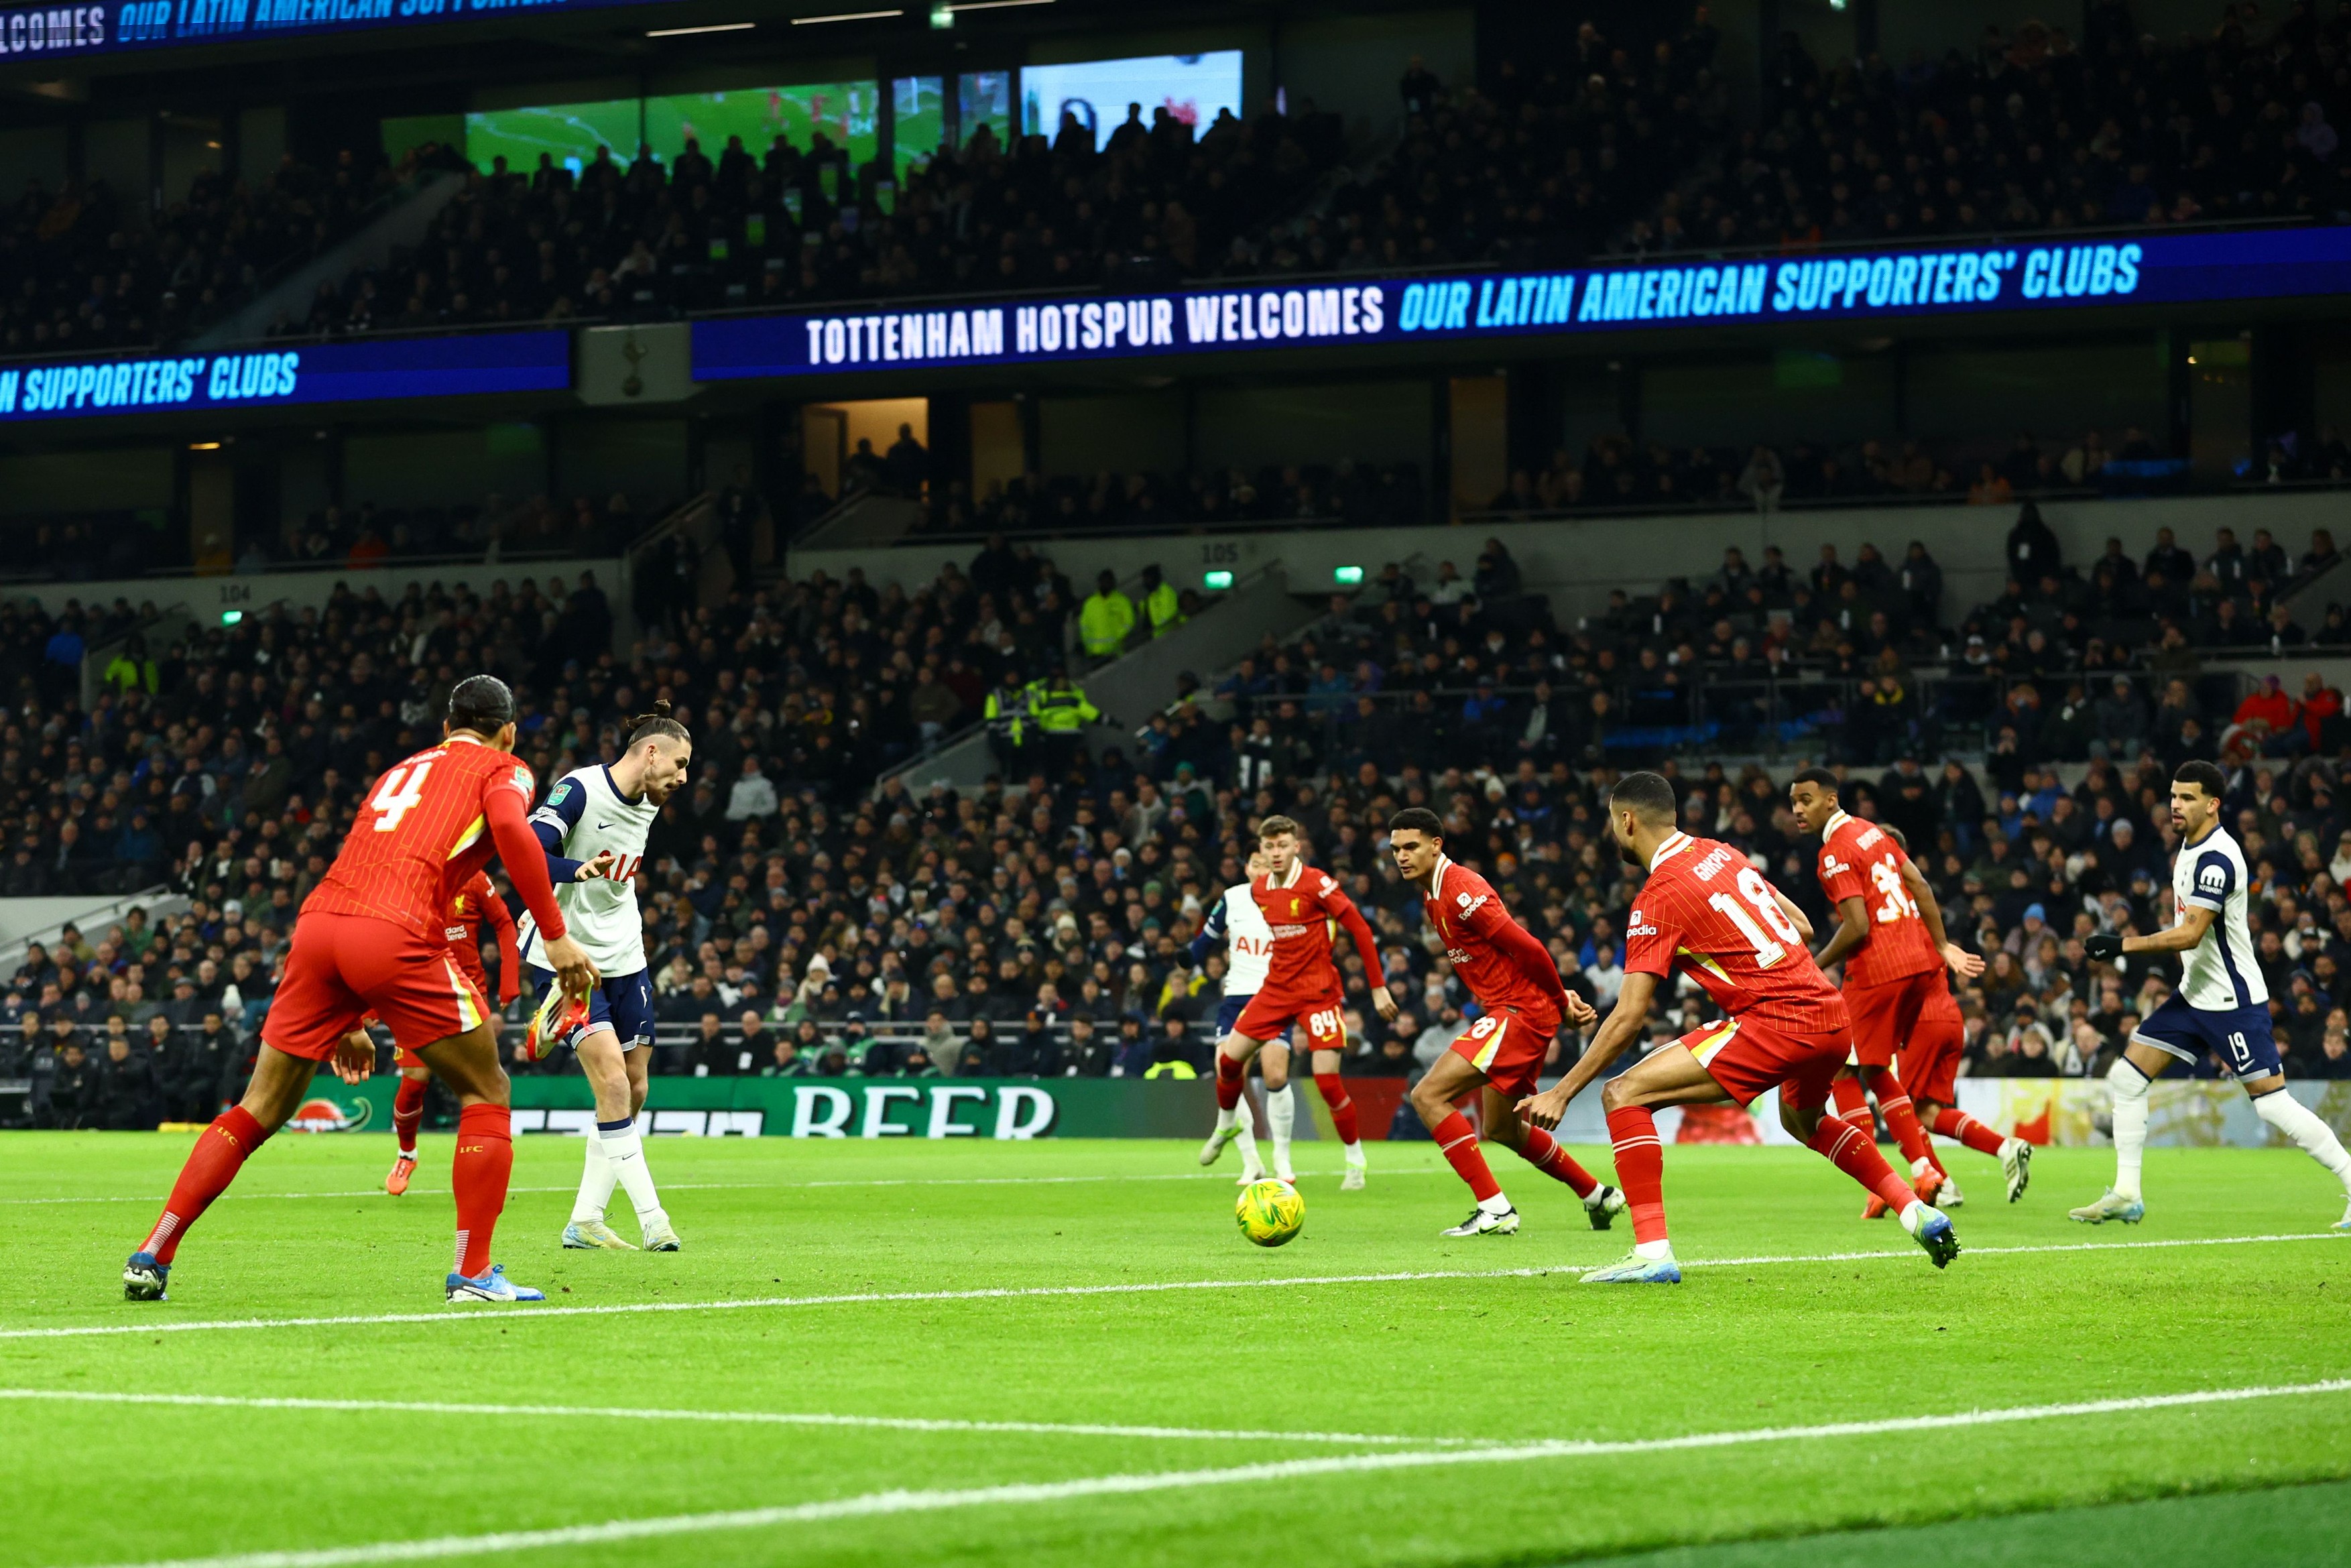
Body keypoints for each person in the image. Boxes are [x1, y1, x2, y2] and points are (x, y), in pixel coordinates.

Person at [124, 674, 593, 1305]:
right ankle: (474, 1273)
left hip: (321, 927)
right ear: (508, 730)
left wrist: (347, 1016)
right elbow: (512, 831)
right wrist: (558, 936)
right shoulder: (504, 767)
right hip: (396, 930)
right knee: (488, 1089)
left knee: (258, 1106)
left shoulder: (401, 770)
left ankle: (154, 1251)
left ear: (444, 725)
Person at [1518, 771, 1958, 1284]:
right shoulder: (1722, 852)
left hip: (1777, 1020)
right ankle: (1915, 1212)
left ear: (1627, 820)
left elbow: (1629, 1014)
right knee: (1804, 1121)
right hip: (1830, 1014)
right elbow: (1801, 925)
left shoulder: (1659, 894)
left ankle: (1652, 1252)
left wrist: (1564, 1091)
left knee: (1622, 1094)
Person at [2073, 761, 2351, 1229]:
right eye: (2173, 795)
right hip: (2192, 995)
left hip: (2232, 1002)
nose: (2174, 805)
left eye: (2186, 798)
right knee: (2126, 1079)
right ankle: (2126, 1192)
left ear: (2212, 803)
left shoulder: (2219, 858)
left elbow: (2190, 933)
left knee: (2271, 1103)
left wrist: (2122, 944)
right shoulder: (2187, 844)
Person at [1388, 808, 1626, 1235]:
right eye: (1396, 850)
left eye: (1411, 847)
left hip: (1518, 1013)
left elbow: (1530, 948)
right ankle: (1598, 1196)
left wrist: (1557, 1002)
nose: (1402, 856)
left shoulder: (1461, 888)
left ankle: (1495, 1209)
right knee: (1501, 1126)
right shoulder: (1431, 895)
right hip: (1516, 1008)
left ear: (1436, 845)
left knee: (1427, 1095)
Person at [518, 701, 695, 1252]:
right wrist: (574, 869)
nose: (684, 777)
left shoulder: (648, 799)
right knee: (613, 1084)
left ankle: (585, 1218)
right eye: (680, 763)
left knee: (635, 1088)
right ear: (650, 753)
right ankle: (653, 1219)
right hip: (568, 959)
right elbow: (527, 851)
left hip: (626, 955)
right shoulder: (579, 790)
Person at [1786, 767, 1988, 1217]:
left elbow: (1856, 927)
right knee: (1873, 1065)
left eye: (1805, 799)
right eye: (1794, 801)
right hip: (1917, 962)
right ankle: (1921, 1168)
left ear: (1830, 800)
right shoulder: (1873, 833)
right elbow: (1918, 883)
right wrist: (1940, 945)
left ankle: (1879, 1183)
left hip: (1878, 968)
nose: (1797, 809)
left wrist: (1811, 965)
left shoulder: (1834, 851)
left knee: (1838, 1068)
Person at [1198, 815, 1394, 1189]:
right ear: (1262, 850)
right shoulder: (1259, 890)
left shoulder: (1318, 884)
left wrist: (1378, 986)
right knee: (1228, 1060)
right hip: (1275, 991)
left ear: (1296, 847)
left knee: (1327, 1081)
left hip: (1319, 993)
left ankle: (1355, 1159)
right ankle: (1228, 1123)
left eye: (1282, 845)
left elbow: (1360, 927)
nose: (1276, 852)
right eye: (1269, 847)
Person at [1875, 827, 2032, 1207]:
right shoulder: (1919, 904)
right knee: (1928, 1112)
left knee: (1902, 1111)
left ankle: (1940, 1185)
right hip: (1948, 1014)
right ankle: (2004, 1148)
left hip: (1920, 1019)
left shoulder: (1888, 909)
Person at [385, 868, 520, 1196]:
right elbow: (388, 939)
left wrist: (510, 978)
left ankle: (488, 1164)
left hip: (467, 995)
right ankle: (407, 1154)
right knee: (414, 1082)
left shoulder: (473, 877)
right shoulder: (411, 877)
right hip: (418, 994)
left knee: (483, 1085)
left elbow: (504, 922)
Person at [1183, 850, 1273, 1183]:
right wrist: (1187, 957)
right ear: (1247, 868)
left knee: (1276, 1077)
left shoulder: (1287, 900)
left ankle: (1283, 1157)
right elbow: (1206, 937)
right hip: (1236, 996)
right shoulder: (1232, 898)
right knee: (1227, 1072)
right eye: (1255, 864)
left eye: (1267, 863)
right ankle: (1252, 1161)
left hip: (1274, 996)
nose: (1261, 869)